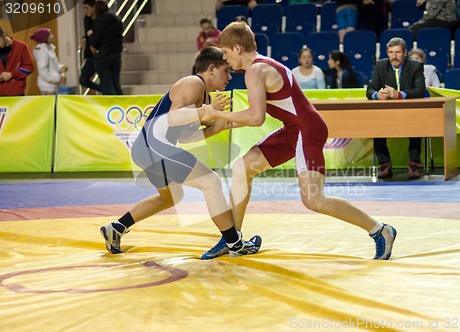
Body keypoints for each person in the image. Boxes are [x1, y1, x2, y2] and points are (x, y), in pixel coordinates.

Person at [200, 22, 397, 261]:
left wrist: (218, 114)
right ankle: (234, 240)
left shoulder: (256, 70)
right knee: (242, 167)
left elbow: (255, 117)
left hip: (306, 130)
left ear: (238, 48)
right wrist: (223, 122)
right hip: (294, 129)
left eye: (227, 54)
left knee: (314, 200)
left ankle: (380, 230)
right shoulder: (263, 66)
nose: (227, 60)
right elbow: (254, 115)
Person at [99, 46, 261, 258]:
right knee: (211, 181)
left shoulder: (202, 95)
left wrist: (214, 128)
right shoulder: (193, 83)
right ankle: (234, 243)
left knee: (169, 198)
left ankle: (117, 227)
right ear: (211, 69)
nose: (229, 77)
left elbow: (186, 137)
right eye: (226, 71)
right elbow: (174, 117)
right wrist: (207, 112)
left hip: (147, 148)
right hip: (155, 146)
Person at [366, 37, 426, 179]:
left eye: (398, 52)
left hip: (410, 111)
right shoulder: (381, 66)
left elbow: (419, 90)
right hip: (387, 112)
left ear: (405, 53)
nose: (394, 56)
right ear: (387, 53)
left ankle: (414, 163)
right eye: (391, 52)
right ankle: (384, 163)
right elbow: (370, 90)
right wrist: (376, 95)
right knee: (377, 126)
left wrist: (399, 95)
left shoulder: (415, 66)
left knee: (417, 124)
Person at [89, 0, 123, 95]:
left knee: (107, 86)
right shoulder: (117, 20)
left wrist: (90, 36)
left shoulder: (99, 22)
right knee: (116, 85)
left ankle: (110, 108)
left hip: (103, 58)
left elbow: (95, 42)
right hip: (116, 56)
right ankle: (123, 106)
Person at [30, 28, 67, 95]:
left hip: (52, 87)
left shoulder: (49, 49)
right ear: (44, 37)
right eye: (50, 34)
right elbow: (43, 72)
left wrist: (61, 67)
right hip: (47, 88)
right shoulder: (42, 52)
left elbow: (53, 66)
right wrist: (59, 78)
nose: (52, 36)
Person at [0, 27, 34, 96]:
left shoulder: (22, 47)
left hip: (16, 93)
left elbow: (29, 67)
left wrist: (12, 74)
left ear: (4, 36)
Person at [80, 0, 101, 94]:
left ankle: (108, 92)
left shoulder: (101, 20)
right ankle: (103, 89)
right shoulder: (86, 19)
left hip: (101, 54)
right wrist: (84, 38)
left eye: (87, 8)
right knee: (83, 79)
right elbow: (88, 33)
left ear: (94, 7)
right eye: (84, 8)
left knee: (107, 80)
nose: (85, 11)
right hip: (90, 55)